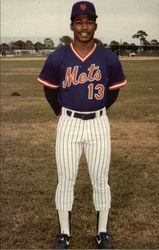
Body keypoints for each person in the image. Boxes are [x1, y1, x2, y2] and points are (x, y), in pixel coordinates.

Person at [38, 1, 127, 249]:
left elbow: (113, 93)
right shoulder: (58, 57)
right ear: (72, 25)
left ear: (95, 25)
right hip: (68, 123)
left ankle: (102, 233)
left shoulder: (108, 57)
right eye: (79, 21)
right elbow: (49, 89)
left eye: (89, 21)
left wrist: (97, 110)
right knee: (66, 179)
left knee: (101, 180)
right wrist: (62, 112)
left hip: (99, 124)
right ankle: (64, 234)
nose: (84, 26)